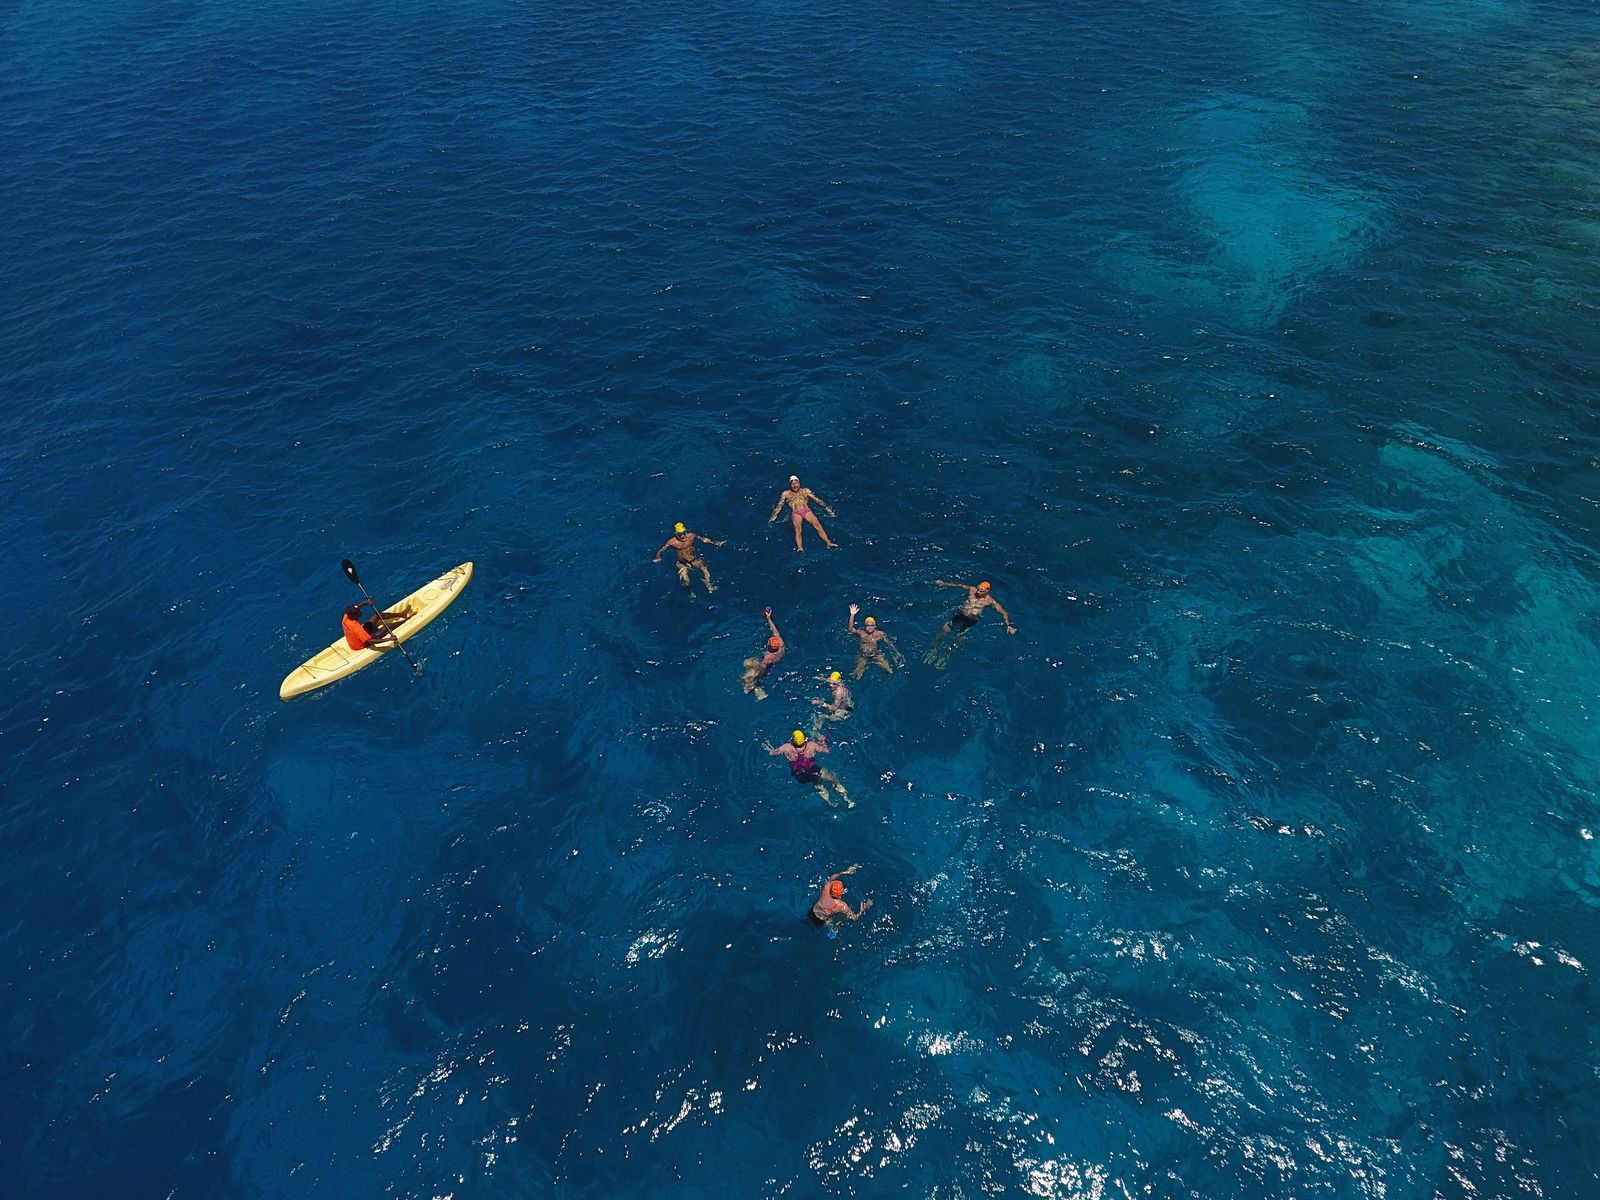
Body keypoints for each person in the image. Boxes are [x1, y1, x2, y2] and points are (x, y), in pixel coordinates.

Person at [924, 578, 1016, 667]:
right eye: (978, 589)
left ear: (987, 591)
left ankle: (947, 657)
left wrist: (1008, 625)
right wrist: (944, 584)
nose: (978, 592)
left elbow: (1003, 612)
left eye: (981, 591)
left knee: (959, 638)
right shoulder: (972, 590)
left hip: (970, 621)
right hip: (960, 616)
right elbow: (958, 585)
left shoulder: (989, 601)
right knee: (944, 630)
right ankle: (933, 649)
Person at [764, 729, 852, 808]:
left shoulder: (787, 747)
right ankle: (847, 800)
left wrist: (767, 746)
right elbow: (827, 750)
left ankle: (829, 802)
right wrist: (822, 741)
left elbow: (773, 753)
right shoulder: (811, 745)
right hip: (813, 770)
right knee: (833, 779)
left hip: (800, 776)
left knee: (818, 784)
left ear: (793, 739)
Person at [768, 474, 837, 553]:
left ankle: (828, 543)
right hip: (796, 512)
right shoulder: (786, 494)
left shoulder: (805, 491)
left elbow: (816, 500)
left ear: (799, 483)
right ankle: (800, 548)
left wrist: (826, 508)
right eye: (792, 484)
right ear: (790, 485)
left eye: (796, 483)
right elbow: (779, 505)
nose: (794, 485)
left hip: (806, 510)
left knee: (818, 526)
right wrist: (774, 516)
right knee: (798, 530)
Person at [653, 522, 725, 593]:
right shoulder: (672, 542)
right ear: (676, 534)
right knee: (687, 581)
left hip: (693, 560)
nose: (683, 536)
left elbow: (703, 539)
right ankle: (690, 592)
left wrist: (715, 542)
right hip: (682, 563)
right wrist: (658, 556)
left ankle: (708, 585)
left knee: (704, 568)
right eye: (680, 534)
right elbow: (662, 550)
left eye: (684, 532)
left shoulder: (691, 536)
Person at [846, 603, 902, 678]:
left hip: (876, 655)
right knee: (857, 676)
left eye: (871, 625)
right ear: (865, 626)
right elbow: (850, 629)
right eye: (868, 625)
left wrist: (897, 653)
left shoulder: (880, 634)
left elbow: (889, 643)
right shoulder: (861, 633)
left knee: (890, 671)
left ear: (875, 626)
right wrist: (852, 614)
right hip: (863, 656)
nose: (870, 627)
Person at [741, 607, 786, 700]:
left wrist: (749, 680)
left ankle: (755, 688)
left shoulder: (768, 657)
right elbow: (775, 631)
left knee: (748, 665)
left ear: (769, 646)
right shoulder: (781, 644)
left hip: (770, 667)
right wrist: (768, 618)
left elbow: (760, 669)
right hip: (777, 663)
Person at [341, 600, 410, 651]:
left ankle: (401, 614)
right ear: (353, 616)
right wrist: (389, 639)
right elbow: (369, 641)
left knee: (377, 615)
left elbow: (357, 607)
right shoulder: (356, 627)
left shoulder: (346, 617)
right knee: (387, 626)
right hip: (362, 645)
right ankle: (405, 621)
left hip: (357, 637)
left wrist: (365, 603)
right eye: (357, 613)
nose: (360, 612)